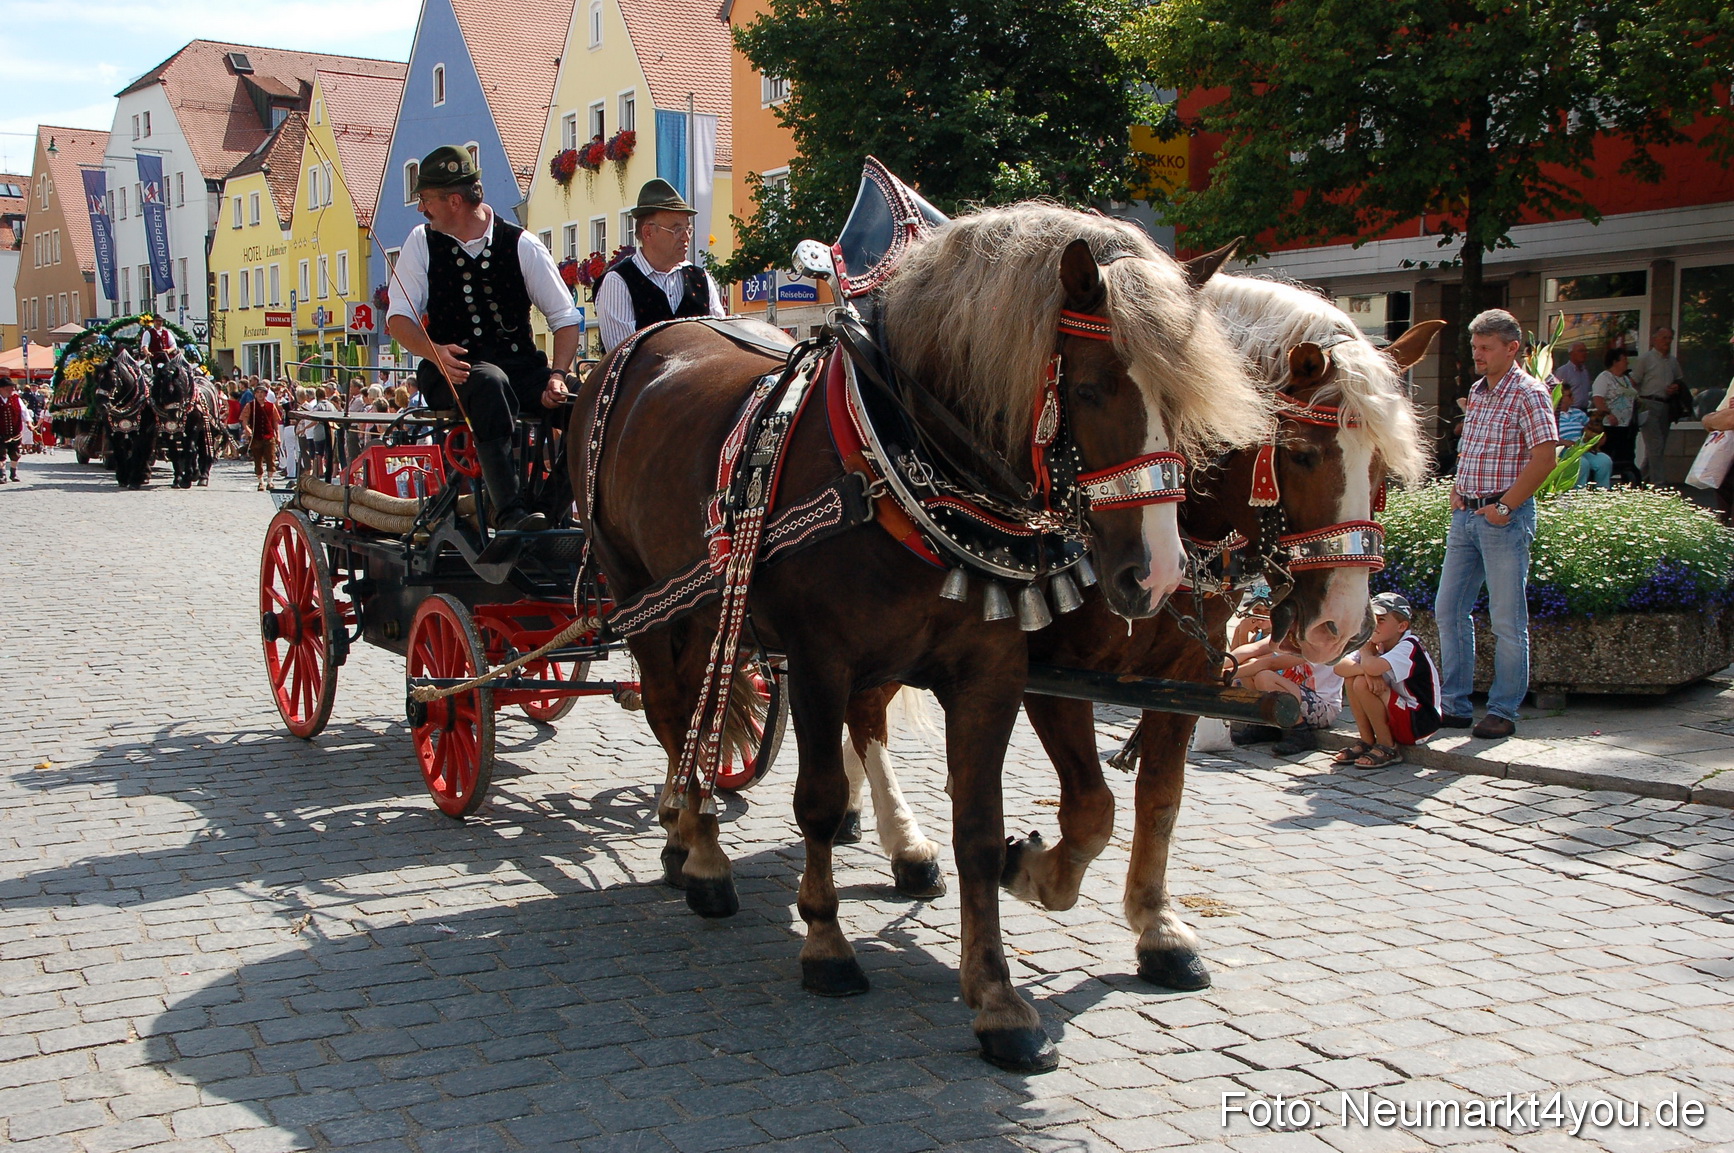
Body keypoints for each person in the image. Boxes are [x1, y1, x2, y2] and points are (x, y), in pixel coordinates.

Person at [385, 145, 581, 532]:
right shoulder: (421, 242)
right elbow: (399, 318)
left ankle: (548, 510)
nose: (422, 209)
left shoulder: (521, 244)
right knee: (490, 383)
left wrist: (558, 374)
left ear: (454, 201)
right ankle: (509, 514)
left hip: (520, 370)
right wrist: (433, 352)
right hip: (451, 371)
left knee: (588, 405)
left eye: (426, 200)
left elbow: (565, 318)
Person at [1435, 308, 1559, 740]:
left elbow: (1545, 458)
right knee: (1449, 610)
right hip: (1466, 515)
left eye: (1486, 348)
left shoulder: (1530, 393)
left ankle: (1503, 710)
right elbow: (1474, 449)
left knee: (1507, 620)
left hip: (1504, 519)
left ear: (1512, 348)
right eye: (1475, 347)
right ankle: (1454, 706)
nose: (1478, 355)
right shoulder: (1478, 390)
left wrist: (1505, 507)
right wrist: (1458, 489)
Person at [595, 178, 728, 354]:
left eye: (688, 229)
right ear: (648, 232)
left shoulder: (700, 279)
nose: (686, 237)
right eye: (677, 229)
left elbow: (722, 344)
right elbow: (624, 357)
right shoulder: (619, 281)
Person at [1332, 593, 1442, 768]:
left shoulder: (1409, 645)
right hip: (1398, 715)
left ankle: (1388, 746)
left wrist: (1366, 655)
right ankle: (1367, 740)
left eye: (1381, 620)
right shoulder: (1379, 642)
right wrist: (1367, 670)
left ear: (1401, 626)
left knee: (1362, 682)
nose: (1373, 624)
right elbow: (1339, 666)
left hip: (1419, 722)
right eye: (1371, 618)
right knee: (1353, 678)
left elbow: (1373, 667)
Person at [1226, 635, 1344, 755]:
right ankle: (1265, 725)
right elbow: (1253, 648)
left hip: (1323, 708)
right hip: (1296, 695)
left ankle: (1300, 732)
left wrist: (1225, 674)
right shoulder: (1291, 633)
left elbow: (1272, 663)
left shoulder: (1319, 640)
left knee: (1265, 677)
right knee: (1248, 665)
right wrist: (1220, 665)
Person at [1630, 325, 1686, 485]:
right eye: (1664, 338)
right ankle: (1659, 485)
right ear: (1654, 340)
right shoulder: (1645, 359)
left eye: (1670, 338)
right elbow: (1633, 381)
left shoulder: (1672, 361)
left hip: (1666, 405)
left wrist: (1675, 387)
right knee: (1656, 445)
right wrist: (1638, 400)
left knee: (1657, 448)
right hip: (1648, 404)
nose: (1667, 341)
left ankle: (1639, 480)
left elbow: (1679, 380)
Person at [1592, 347, 1640, 483]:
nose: (1627, 362)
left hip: (1626, 425)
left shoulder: (1625, 379)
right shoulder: (1604, 378)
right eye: (1624, 360)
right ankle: (1602, 483)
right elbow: (1598, 399)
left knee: (1627, 457)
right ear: (1615, 361)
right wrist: (1609, 414)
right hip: (1610, 426)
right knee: (1610, 455)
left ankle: (1627, 486)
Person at [1556, 388, 1612, 489]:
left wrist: (1598, 438)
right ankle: (1578, 493)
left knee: (1604, 461)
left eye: (1570, 395)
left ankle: (1602, 492)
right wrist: (1564, 442)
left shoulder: (1579, 413)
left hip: (1584, 446)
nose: (1571, 398)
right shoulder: (1552, 414)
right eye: (1567, 395)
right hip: (1565, 448)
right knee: (1582, 464)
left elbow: (1591, 428)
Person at [241, 388, 280, 489]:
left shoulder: (271, 406)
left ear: (266, 394)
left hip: (269, 436)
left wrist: (278, 435)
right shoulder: (250, 405)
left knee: (271, 458)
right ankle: (261, 482)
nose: (260, 394)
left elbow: (275, 421)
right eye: (258, 392)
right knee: (257, 459)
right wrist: (247, 429)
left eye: (262, 392)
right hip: (256, 437)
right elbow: (244, 419)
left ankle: (270, 481)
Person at [1549, 341, 1594, 411]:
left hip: (1584, 411)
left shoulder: (1585, 372)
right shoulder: (1563, 371)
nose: (1584, 354)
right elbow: (1557, 392)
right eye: (1581, 351)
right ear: (1571, 354)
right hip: (1569, 412)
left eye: (1585, 351)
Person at [0, 379, 26, 482]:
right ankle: (2, 474)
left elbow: (24, 411)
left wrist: (29, 422)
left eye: (13, 388)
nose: (12, 390)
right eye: (10, 388)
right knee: (1, 455)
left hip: (15, 433)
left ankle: (13, 473)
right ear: (2, 389)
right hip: (1, 433)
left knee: (15, 454)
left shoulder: (16, 399)